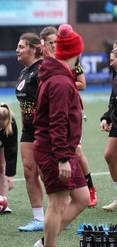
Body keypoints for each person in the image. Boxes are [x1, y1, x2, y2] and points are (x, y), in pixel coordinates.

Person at [33, 24, 89, 247]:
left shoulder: (59, 75)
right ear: (77, 51)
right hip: (56, 151)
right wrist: (63, 159)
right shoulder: (61, 81)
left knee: (82, 198)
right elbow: (57, 123)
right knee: (57, 204)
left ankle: (44, 242)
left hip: (62, 149)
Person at [40, 26, 98, 208]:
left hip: (69, 111)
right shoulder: (46, 64)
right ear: (44, 44)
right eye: (51, 43)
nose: (54, 45)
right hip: (51, 120)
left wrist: (67, 85)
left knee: (76, 152)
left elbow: (82, 84)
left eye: (56, 42)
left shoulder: (69, 63)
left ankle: (90, 189)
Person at [15, 32, 44, 232]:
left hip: (44, 129)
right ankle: (39, 218)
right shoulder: (25, 72)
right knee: (29, 172)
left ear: (33, 49)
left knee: (47, 172)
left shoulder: (43, 70)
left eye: (21, 46)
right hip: (28, 130)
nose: (17, 50)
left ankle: (60, 212)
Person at [100, 47, 117, 211]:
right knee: (110, 155)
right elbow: (113, 100)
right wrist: (107, 117)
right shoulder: (115, 74)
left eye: (113, 58)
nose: (110, 63)